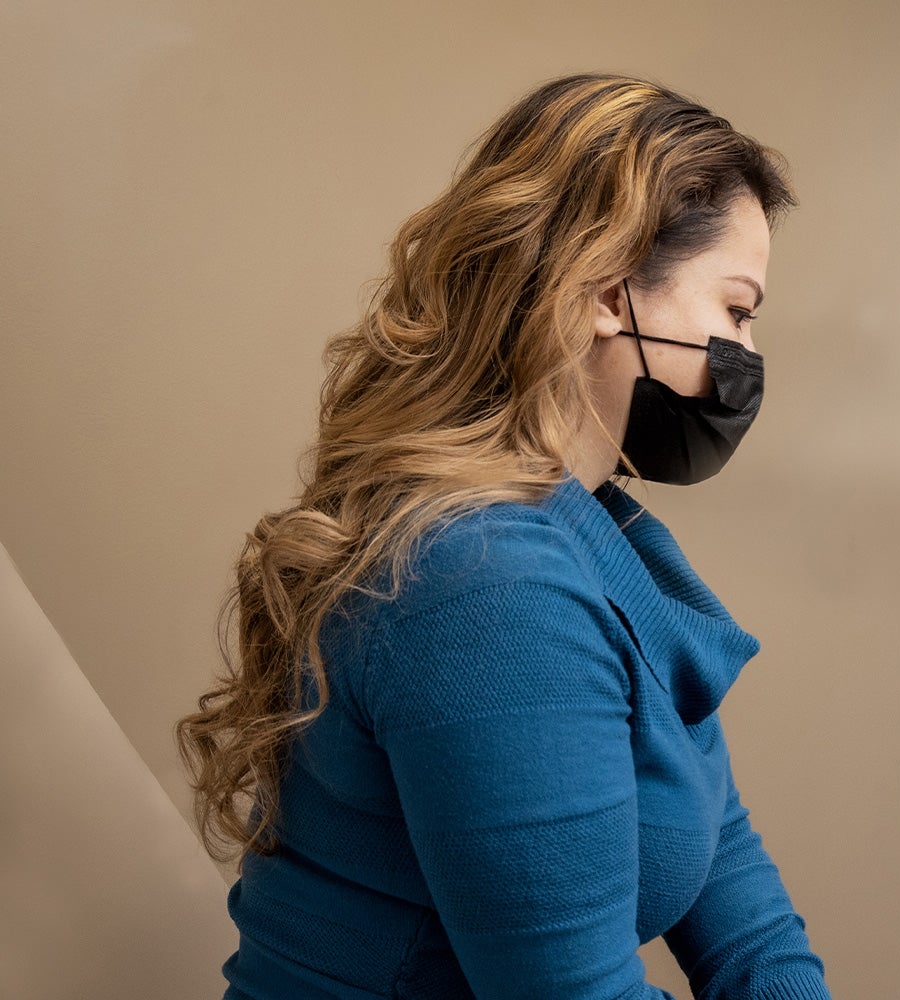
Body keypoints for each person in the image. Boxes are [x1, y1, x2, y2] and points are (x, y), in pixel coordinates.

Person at [176, 75, 830, 1000]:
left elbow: (737, 896)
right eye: (736, 311)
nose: (747, 358)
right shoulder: (484, 580)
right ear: (610, 292)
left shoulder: (599, 538)